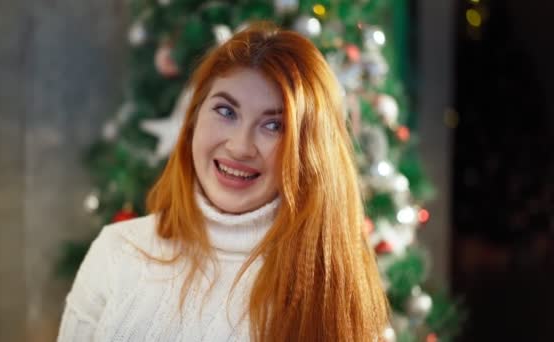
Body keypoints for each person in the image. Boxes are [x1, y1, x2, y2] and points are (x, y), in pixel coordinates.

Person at [57, 21, 389, 342]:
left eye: (274, 126)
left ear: (308, 152)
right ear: (193, 119)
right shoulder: (118, 251)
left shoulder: (338, 288)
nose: (240, 147)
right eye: (226, 112)